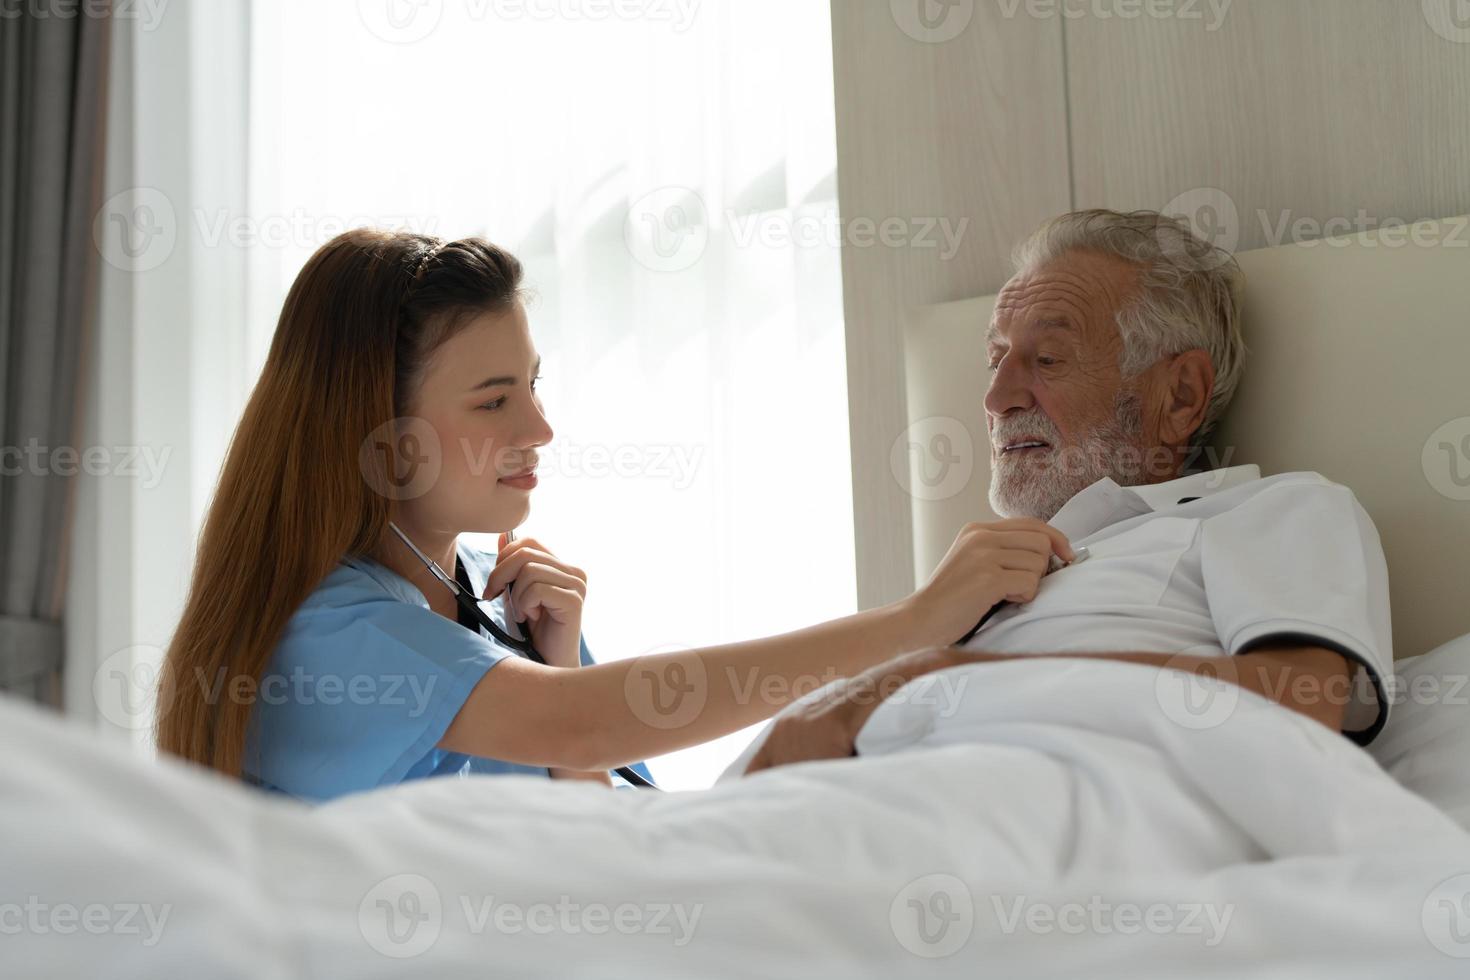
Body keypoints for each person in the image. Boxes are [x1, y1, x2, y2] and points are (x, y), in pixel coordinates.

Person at [155, 229, 1073, 800]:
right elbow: (581, 723)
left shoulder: (488, 596)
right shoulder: (326, 635)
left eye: (535, 386)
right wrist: (911, 625)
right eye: (494, 400)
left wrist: (557, 659)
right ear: (386, 445)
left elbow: (599, 831)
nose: (541, 427)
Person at [743, 209, 1392, 774]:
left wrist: (948, 678)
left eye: (1047, 359)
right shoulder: (965, 588)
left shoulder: (1268, 512)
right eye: (996, 358)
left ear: (1181, 394)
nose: (996, 399)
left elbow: (1309, 700)